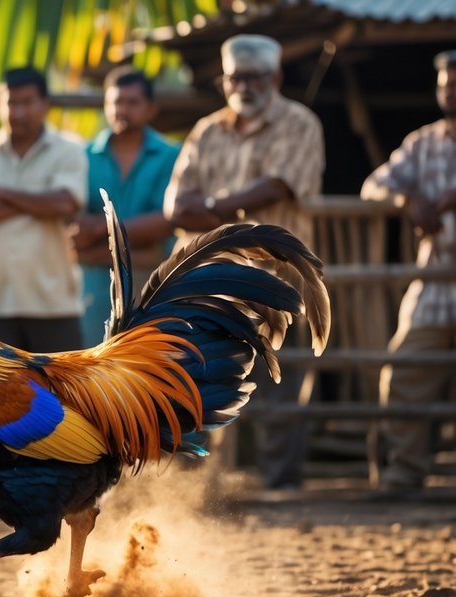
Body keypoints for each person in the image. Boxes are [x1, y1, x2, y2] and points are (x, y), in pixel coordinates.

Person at [164, 34, 325, 491]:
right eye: (236, 77)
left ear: (275, 78)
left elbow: (277, 187)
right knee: (201, 380)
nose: (244, 86)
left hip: (278, 279)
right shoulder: (207, 129)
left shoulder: (300, 123)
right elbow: (175, 204)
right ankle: (206, 492)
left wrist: (212, 207)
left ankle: (280, 488)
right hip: (210, 282)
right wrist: (225, 208)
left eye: (254, 77)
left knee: (279, 387)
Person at [360, 50, 456, 495]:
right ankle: (402, 476)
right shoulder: (424, 142)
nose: (450, 89)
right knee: (404, 373)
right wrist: (407, 198)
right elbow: (374, 184)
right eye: (445, 82)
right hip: (435, 279)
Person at [0, 66, 89, 352]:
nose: (17, 112)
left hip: (53, 302)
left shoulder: (69, 149)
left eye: (27, 102)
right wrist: (40, 201)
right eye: (11, 103)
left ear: (45, 105)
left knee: (61, 395)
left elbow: (64, 204)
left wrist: (1, 193)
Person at [71, 67, 180, 344]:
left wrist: (99, 231)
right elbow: (73, 234)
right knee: (93, 366)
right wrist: (141, 242)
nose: (122, 109)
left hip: (155, 283)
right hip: (95, 286)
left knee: (153, 365)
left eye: (132, 102)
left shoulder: (172, 155)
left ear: (150, 109)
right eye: (116, 102)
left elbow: (169, 221)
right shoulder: (82, 157)